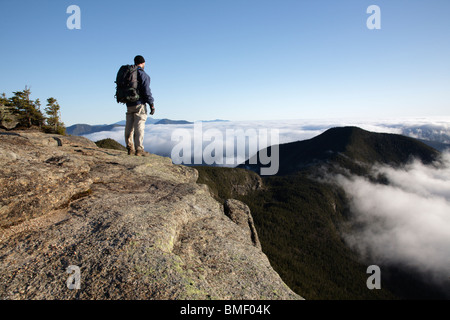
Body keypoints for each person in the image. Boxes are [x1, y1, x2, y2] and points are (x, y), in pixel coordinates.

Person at [125, 55, 155, 156]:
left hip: (129, 104)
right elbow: (146, 91)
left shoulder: (128, 73)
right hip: (139, 104)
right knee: (139, 126)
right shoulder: (143, 74)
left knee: (129, 125)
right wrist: (151, 104)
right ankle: (139, 149)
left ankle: (130, 148)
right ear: (142, 63)